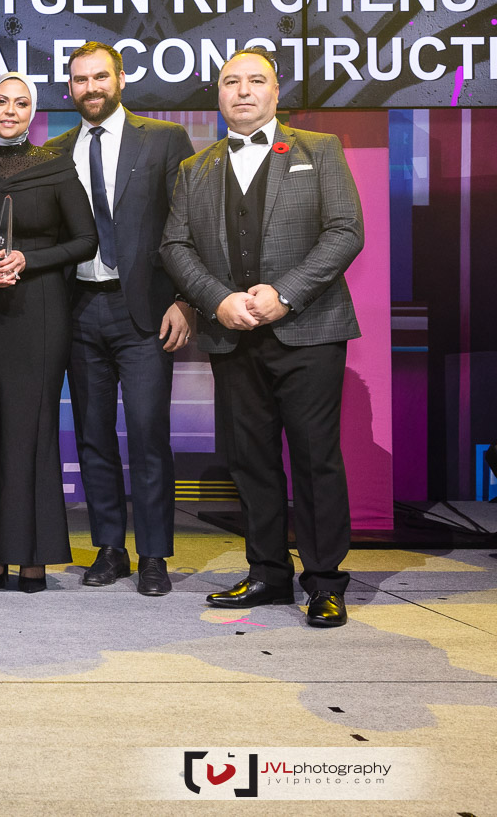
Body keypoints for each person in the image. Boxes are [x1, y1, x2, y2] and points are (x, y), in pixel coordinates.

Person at [162, 46, 364, 628]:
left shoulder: (318, 150)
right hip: (233, 337)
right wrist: (217, 300)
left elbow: (346, 230)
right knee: (250, 461)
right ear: (219, 95)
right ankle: (268, 573)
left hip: (309, 330)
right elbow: (174, 246)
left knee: (316, 459)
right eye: (232, 81)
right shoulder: (195, 168)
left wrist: (286, 293)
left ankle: (324, 582)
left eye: (256, 81)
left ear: (277, 92)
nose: (243, 91)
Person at [45, 42, 196, 596]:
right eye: (80, 80)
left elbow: (187, 224)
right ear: (70, 87)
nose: (91, 88)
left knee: (149, 433)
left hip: (147, 313)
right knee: (92, 435)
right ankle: (110, 547)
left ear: (121, 79)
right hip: (79, 310)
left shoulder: (164, 139)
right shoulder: (55, 151)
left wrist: (186, 300)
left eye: (100, 77)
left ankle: (154, 554)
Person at [0, 73, 97, 592]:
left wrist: (30, 259)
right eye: (1, 102)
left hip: (41, 314)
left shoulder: (55, 165)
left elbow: (86, 240)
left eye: (21, 103)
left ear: (34, 113)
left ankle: (34, 556)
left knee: (32, 431)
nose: (10, 110)